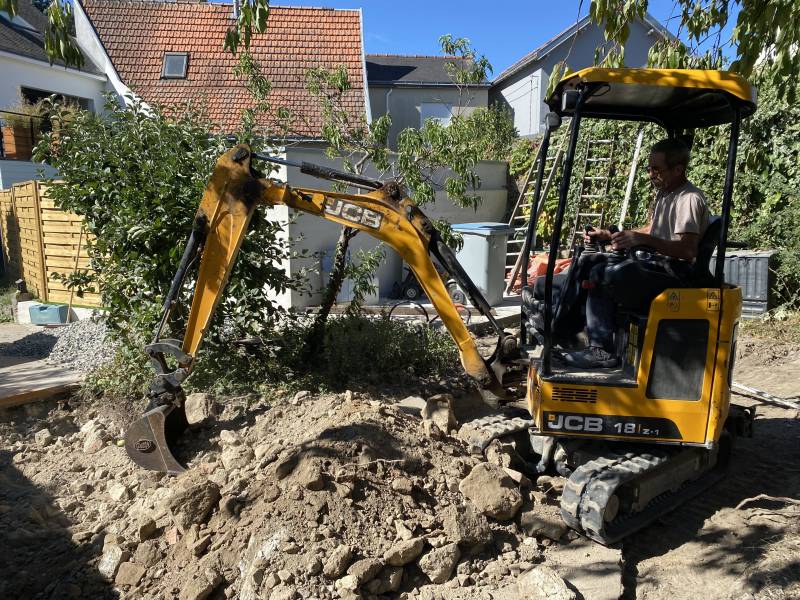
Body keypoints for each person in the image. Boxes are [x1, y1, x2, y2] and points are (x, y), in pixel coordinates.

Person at [564, 138, 709, 368]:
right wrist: (610, 235)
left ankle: (600, 350)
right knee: (590, 262)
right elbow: (652, 230)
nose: (650, 174)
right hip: (658, 265)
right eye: (649, 168)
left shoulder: (688, 199)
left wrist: (641, 239)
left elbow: (687, 249)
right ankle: (570, 332)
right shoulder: (665, 194)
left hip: (676, 274)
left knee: (604, 274)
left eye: (657, 169)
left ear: (678, 169)